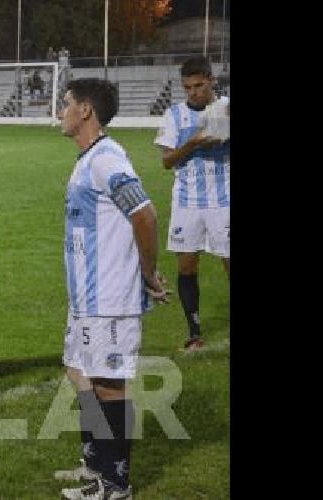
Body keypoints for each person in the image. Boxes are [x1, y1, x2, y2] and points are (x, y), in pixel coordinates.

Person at [52, 78, 169, 499]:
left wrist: (149, 274)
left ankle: (115, 483)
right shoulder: (88, 159)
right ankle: (95, 464)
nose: (61, 111)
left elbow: (146, 215)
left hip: (109, 299)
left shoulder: (106, 158)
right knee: (79, 370)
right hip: (85, 298)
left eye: (66, 104)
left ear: (85, 110)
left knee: (108, 385)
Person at [153, 55, 230, 353]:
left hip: (223, 201)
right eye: (187, 88)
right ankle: (194, 333)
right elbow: (167, 162)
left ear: (211, 80)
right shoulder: (174, 116)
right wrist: (194, 142)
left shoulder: (224, 109)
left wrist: (217, 138)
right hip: (187, 203)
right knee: (186, 268)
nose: (193, 92)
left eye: (199, 85)